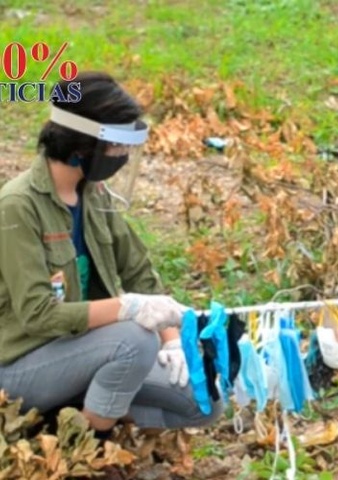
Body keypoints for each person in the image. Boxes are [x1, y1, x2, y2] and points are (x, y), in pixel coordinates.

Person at [0, 72, 223, 441]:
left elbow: (139, 273)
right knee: (134, 339)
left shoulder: (94, 194)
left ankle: (70, 413)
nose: (123, 156)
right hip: (20, 364)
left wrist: (171, 338)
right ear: (81, 145)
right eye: (118, 146)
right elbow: (38, 315)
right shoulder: (16, 207)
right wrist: (126, 309)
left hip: (81, 350)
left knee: (203, 401)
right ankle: (83, 446)